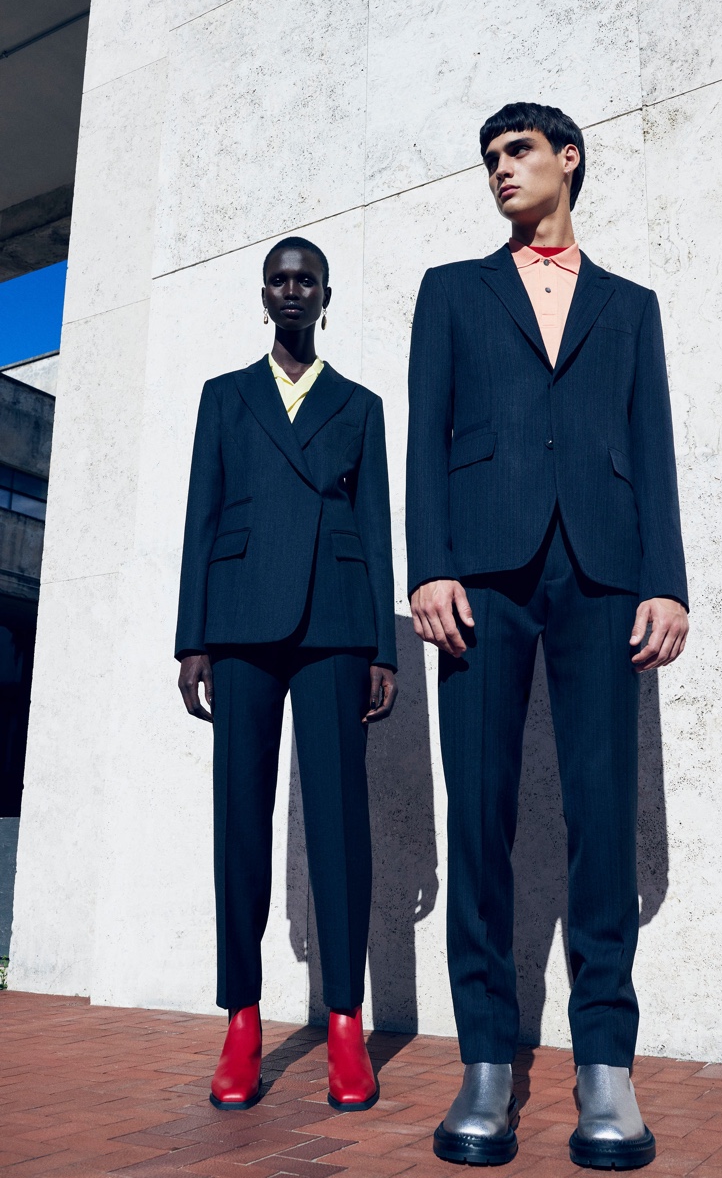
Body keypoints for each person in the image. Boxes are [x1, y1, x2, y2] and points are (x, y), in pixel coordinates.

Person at [405, 103, 689, 1169]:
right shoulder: (452, 291)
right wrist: (429, 565)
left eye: (517, 151)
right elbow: (424, 434)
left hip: (603, 573)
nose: (500, 169)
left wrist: (665, 582)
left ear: (567, 160)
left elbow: (651, 446)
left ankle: (604, 1065)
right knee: (478, 814)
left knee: (600, 817)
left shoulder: (629, 306)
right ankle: (486, 1059)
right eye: (489, 158)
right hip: (482, 575)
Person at [176, 237, 398, 1113]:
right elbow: (201, 516)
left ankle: (345, 1020)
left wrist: (382, 649)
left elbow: (375, 527)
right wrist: (192, 638)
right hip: (239, 624)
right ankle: (241, 1018)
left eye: (307, 279)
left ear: (326, 296)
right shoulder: (224, 397)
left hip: (336, 624)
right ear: (264, 295)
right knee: (239, 820)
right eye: (280, 279)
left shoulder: (359, 405)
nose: (293, 290)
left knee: (339, 823)